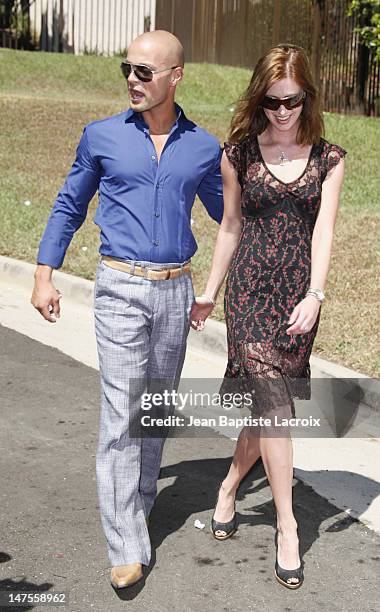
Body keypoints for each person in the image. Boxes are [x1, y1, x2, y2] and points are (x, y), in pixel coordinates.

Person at [31, 30, 223, 588]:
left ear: (175, 76)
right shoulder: (101, 137)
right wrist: (45, 274)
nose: (133, 81)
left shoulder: (204, 148)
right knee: (121, 416)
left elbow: (228, 217)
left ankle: (137, 502)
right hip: (118, 287)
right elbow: (69, 204)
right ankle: (126, 542)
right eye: (127, 70)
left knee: (155, 410)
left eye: (145, 72)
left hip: (174, 290)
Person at [190, 44, 346, 589]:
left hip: (297, 300)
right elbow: (230, 227)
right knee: (275, 407)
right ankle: (288, 525)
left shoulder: (330, 158)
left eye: (292, 101)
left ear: (307, 97)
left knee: (264, 409)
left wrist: (316, 293)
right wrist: (210, 292)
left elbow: (323, 230)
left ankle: (231, 484)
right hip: (250, 295)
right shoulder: (237, 155)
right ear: (261, 99)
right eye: (273, 102)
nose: (282, 112)